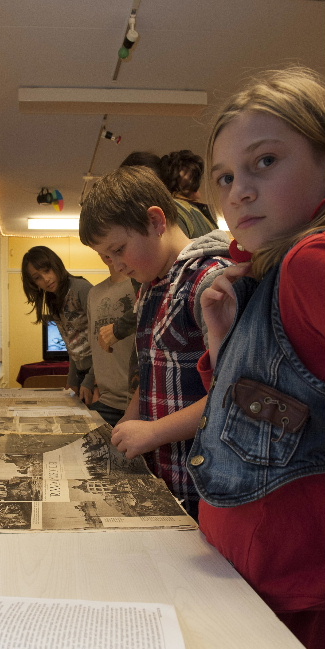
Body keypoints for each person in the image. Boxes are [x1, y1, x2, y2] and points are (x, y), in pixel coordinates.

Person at [187, 66, 325, 649]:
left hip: (299, 599)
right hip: (252, 589)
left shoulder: (307, 263)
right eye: (224, 176)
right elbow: (264, 412)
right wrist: (222, 338)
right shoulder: (269, 278)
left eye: (264, 161)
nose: (237, 190)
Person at [79, 165, 233, 518]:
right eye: (105, 257)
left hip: (202, 484)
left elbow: (233, 393)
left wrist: (152, 432)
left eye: (119, 249)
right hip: (166, 478)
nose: (116, 266)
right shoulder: (151, 288)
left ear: (156, 221)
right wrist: (126, 427)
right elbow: (152, 376)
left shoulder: (208, 282)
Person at [96, 150, 217, 356]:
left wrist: (119, 331)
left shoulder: (164, 222)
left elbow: (150, 309)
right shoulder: (197, 212)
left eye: (119, 249)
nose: (118, 265)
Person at [21, 246, 93, 402]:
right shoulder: (53, 300)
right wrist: (72, 381)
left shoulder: (81, 288)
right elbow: (71, 344)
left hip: (99, 374)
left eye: (47, 270)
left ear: (56, 265)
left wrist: (90, 380)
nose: (45, 279)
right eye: (37, 277)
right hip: (81, 373)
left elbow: (102, 341)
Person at [86, 258, 138, 426]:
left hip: (139, 404)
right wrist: (93, 384)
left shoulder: (141, 286)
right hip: (106, 401)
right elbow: (95, 346)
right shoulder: (94, 293)